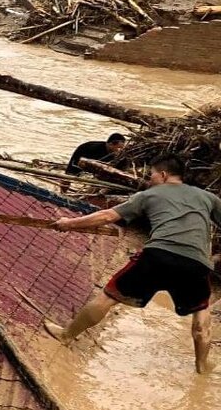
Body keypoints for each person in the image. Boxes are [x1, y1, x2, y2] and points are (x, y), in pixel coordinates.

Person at [45, 155, 219, 375]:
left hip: (158, 255)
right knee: (202, 313)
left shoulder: (147, 195)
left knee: (109, 297)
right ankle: (202, 367)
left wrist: (68, 223)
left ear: (163, 175)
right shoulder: (208, 198)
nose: (149, 179)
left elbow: (107, 216)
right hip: (196, 264)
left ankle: (66, 335)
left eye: (151, 175)